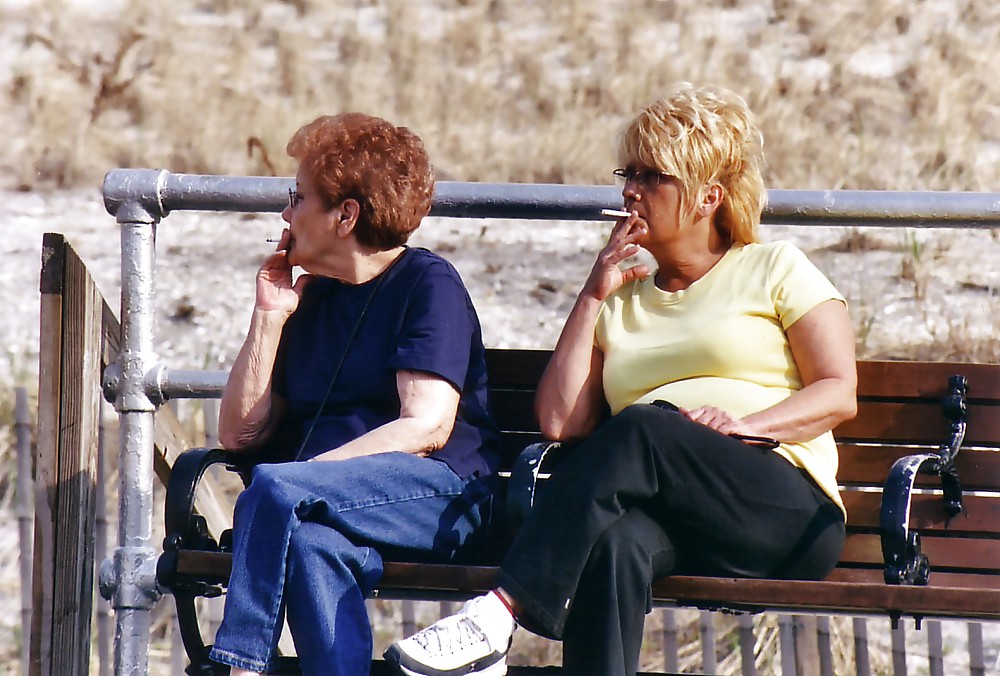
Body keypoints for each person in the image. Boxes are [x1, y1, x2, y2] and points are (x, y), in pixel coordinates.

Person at [386, 83, 857, 676]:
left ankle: (499, 612)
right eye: (627, 172)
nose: (631, 189)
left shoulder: (775, 267)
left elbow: (839, 392)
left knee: (646, 427)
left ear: (707, 196)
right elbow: (560, 422)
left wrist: (746, 427)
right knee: (616, 544)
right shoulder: (621, 299)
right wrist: (593, 291)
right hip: (679, 514)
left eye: (652, 176)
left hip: (781, 508)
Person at [208, 112, 502, 675]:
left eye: (298, 198)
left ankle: (240, 664)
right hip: (323, 508)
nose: (286, 214)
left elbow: (427, 426)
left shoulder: (426, 284)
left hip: (438, 496)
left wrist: (303, 479)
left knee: (274, 487)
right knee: (313, 547)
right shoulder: (312, 295)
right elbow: (238, 433)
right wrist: (269, 318)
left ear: (345, 215)